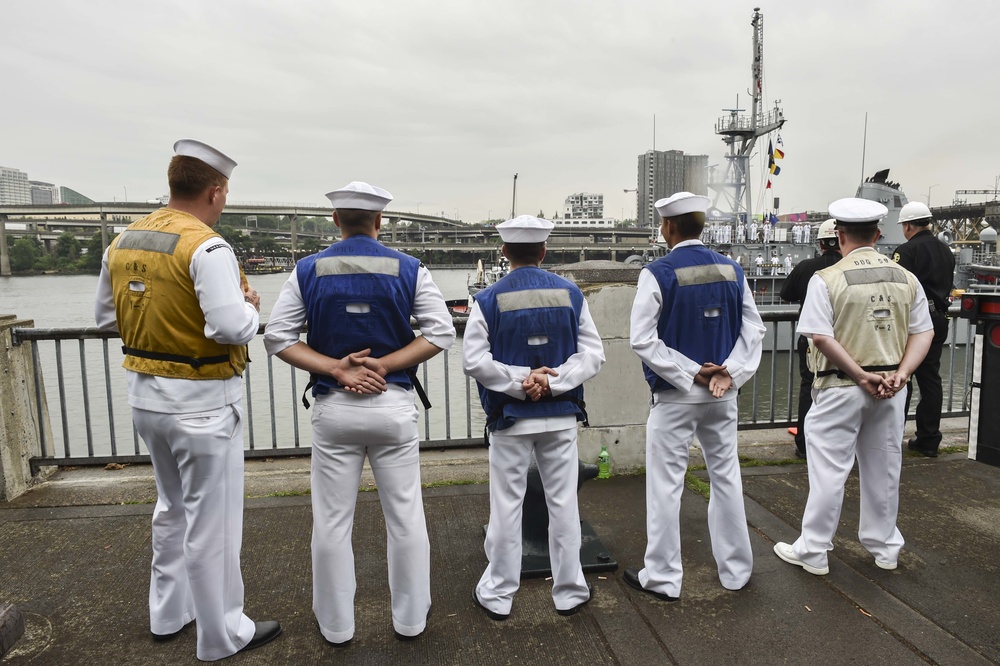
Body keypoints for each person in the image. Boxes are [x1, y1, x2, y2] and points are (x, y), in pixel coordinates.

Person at [94, 139, 280, 661]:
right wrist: (249, 306)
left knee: (170, 509)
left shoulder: (123, 241)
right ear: (216, 191)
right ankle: (222, 635)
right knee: (212, 523)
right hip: (203, 404)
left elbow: (108, 319)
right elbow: (229, 327)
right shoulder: (207, 246)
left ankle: (167, 612)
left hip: (146, 401)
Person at [263, 181, 455, 645]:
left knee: (331, 521)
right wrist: (385, 366)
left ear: (335, 220)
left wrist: (337, 369)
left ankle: (336, 626)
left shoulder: (307, 269)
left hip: (334, 407)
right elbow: (441, 331)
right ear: (380, 221)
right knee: (406, 516)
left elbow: (277, 336)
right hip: (392, 406)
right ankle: (410, 620)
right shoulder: (410, 268)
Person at [774, 198, 933, 576]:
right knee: (884, 466)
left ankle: (813, 551)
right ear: (879, 234)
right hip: (893, 387)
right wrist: (903, 374)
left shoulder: (827, 279)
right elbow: (923, 331)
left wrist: (861, 375)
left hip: (841, 386)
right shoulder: (905, 278)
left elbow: (820, 336)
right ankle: (885, 547)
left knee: (829, 470)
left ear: (839, 235)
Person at [625, 192, 765, 601]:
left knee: (666, 487)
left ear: (668, 227)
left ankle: (664, 577)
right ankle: (736, 571)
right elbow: (754, 330)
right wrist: (729, 373)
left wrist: (690, 373)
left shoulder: (657, 272)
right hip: (723, 396)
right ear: (701, 225)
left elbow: (643, 339)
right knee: (726, 478)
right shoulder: (732, 269)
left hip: (674, 397)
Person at [464, 215, 605, 620]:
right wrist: (552, 383)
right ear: (544, 251)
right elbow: (593, 355)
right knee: (563, 504)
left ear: (504, 252)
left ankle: (498, 593)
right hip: (560, 417)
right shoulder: (570, 294)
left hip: (510, 418)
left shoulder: (488, 299)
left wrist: (519, 382)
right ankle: (570, 591)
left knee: (507, 504)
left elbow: (474, 361)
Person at [893, 201, 955, 457]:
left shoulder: (906, 251)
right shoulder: (946, 250)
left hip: (913, 323)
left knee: (901, 377)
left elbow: (896, 289)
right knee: (931, 380)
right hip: (939, 319)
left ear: (907, 226)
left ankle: (893, 435)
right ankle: (929, 439)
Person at [779, 219, 842, 458]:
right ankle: (838, 443)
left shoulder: (807, 267)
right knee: (846, 388)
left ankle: (805, 444)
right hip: (847, 337)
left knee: (810, 387)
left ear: (820, 242)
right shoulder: (849, 265)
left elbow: (786, 294)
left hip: (813, 339)